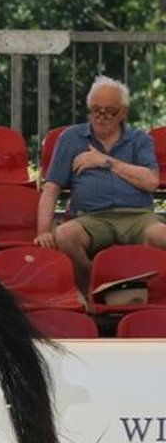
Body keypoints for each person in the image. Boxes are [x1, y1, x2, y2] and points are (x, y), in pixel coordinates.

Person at [34, 75, 164, 291]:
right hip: (90, 216)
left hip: (137, 216)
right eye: (96, 109)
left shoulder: (140, 140)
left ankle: (153, 293)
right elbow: (51, 189)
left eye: (109, 111)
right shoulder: (71, 138)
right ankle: (95, 281)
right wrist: (43, 230)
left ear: (123, 112)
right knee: (64, 235)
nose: (101, 116)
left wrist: (105, 162)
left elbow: (151, 182)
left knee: (162, 236)